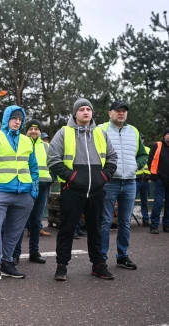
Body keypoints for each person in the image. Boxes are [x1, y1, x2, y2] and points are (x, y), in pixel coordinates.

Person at [47, 98, 118, 281]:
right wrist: (71, 177)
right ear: (75, 113)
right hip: (72, 191)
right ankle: (61, 266)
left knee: (96, 230)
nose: (86, 112)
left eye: (88, 109)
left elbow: (112, 157)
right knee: (67, 230)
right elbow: (53, 159)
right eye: (82, 109)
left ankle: (98, 265)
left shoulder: (101, 134)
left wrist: (103, 177)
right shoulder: (64, 132)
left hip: (96, 191)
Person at [0, 105, 39, 284]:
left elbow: (33, 168)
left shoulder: (27, 141)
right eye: (14, 118)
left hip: (24, 194)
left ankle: (7, 263)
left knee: (15, 231)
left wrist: (33, 190)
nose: (17, 121)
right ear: (6, 120)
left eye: (20, 119)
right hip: (0, 193)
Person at [99, 101, 147, 271]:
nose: (121, 113)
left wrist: (136, 165)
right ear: (109, 113)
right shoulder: (100, 129)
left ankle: (122, 256)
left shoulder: (133, 131)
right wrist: (103, 173)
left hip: (130, 182)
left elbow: (142, 155)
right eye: (118, 111)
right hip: (109, 183)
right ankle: (101, 258)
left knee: (125, 222)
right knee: (105, 221)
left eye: (124, 111)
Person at [12, 119, 52, 265]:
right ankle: (15, 254)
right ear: (26, 131)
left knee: (37, 222)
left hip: (42, 187)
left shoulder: (47, 146)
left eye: (37, 129)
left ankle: (34, 252)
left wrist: (51, 179)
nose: (34, 132)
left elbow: (54, 164)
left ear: (40, 132)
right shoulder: (20, 144)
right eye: (30, 129)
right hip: (26, 187)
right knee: (20, 222)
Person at [147, 128, 169, 234]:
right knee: (158, 203)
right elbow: (150, 160)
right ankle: (154, 225)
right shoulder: (157, 145)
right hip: (159, 179)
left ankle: (167, 225)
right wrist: (154, 175)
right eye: (168, 134)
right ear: (164, 135)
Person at [135, 134, 152, 227]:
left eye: (142, 138)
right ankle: (126, 221)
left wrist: (151, 177)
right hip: (135, 179)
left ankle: (146, 220)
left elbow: (152, 163)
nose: (141, 140)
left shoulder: (148, 149)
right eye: (139, 138)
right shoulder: (133, 149)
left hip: (146, 180)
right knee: (130, 201)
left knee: (145, 201)